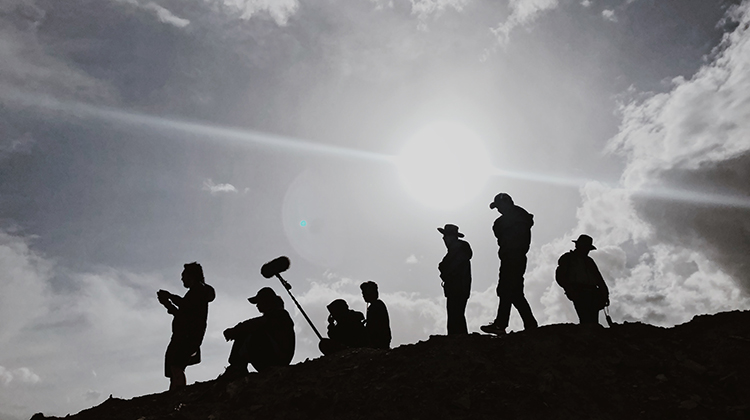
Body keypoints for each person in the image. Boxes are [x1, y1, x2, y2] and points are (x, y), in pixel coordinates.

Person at [481, 193, 538, 335]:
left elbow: (502, 232)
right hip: (511, 257)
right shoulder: (516, 218)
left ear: (507, 203)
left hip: (513, 257)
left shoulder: (517, 217)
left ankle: (501, 324)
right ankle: (530, 324)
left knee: (506, 289)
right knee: (515, 292)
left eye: (499, 206)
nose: (498, 210)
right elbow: (499, 231)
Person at [157, 262, 215, 390]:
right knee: (174, 367)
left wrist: (170, 297)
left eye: (184, 275)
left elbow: (185, 307)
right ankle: (175, 392)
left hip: (187, 336)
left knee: (176, 366)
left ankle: (178, 394)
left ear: (191, 275)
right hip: (183, 335)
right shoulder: (196, 293)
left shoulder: (199, 291)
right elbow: (183, 313)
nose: (182, 278)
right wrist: (168, 304)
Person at [221, 287, 295, 378]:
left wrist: (235, 330)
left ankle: (237, 367)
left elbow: (256, 324)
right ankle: (236, 366)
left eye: (259, 302)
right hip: (273, 357)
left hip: (277, 358)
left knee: (249, 332)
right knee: (247, 331)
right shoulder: (275, 316)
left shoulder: (280, 315)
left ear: (267, 301)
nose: (257, 305)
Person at [555, 234, 610, 325]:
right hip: (578, 292)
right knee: (586, 319)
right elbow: (560, 277)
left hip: (592, 293)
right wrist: (569, 290)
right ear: (578, 246)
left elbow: (599, 279)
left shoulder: (589, 261)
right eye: (585, 247)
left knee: (592, 321)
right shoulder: (568, 258)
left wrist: (605, 294)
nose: (587, 251)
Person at [437, 224, 473, 335]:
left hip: (458, 288)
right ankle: (458, 339)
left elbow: (450, 268)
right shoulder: (456, 251)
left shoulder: (458, 251)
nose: (444, 239)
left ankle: (458, 340)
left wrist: (444, 269)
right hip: (458, 288)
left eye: (446, 236)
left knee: (455, 315)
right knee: (456, 315)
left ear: (451, 237)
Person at [360, 281, 392, 349]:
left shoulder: (376, 306)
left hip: (379, 341)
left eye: (364, 293)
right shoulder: (377, 305)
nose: (363, 296)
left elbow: (375, 327)